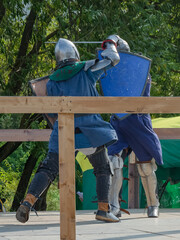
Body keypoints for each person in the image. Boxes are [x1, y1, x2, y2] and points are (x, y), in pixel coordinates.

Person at [16, 35, 129, 223]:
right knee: (103, 167)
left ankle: (27, 202)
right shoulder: (86, 69)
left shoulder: (51, 82)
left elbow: (52, 112)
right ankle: (103, 210)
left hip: (62, 132)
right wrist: (112, 40)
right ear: (75, 54)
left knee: (48, 168)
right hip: (88, 133)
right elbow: (113, 59)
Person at [108, 66, 163, 218]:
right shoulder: (113, 74)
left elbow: (142, 93)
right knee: (113, 160)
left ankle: (153, 205)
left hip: (138, 122)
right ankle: (113, 206)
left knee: (145, 166)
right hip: (119, 123)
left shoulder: (141, 70)